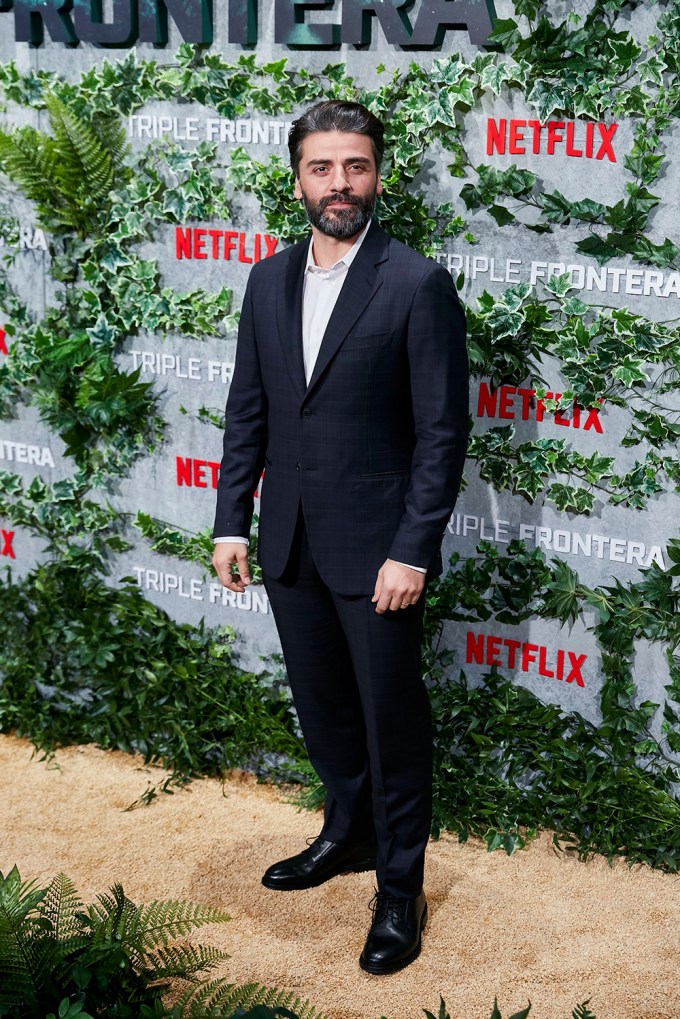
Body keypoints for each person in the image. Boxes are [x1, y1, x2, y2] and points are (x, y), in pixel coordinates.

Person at [212, 99, 468, 974]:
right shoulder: (267, 278)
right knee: (325, 714)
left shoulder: (415, 282)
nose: (340, 183)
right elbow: (249, 409)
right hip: (289, 541)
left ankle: (399, 889)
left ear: (378, 175)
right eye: (322, 168)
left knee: (393, 725)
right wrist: (228, 521)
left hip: (379, 552)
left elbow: (442, 434)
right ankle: (346, 835)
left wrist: (413, 549)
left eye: (355, 166)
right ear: (297, 180)